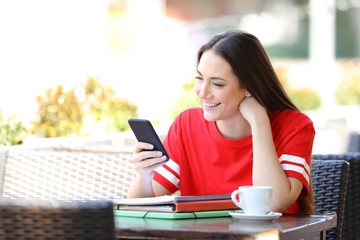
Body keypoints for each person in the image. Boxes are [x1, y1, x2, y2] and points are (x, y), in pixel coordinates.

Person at [127, 30, 315, 214]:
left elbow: (272, 205)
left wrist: (259, 122)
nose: (202, 92)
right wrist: (145, 176)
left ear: (249, 87)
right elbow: (139, 209)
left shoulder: (295, 127)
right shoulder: (188, 125)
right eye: (199, 78)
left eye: (217, 84)